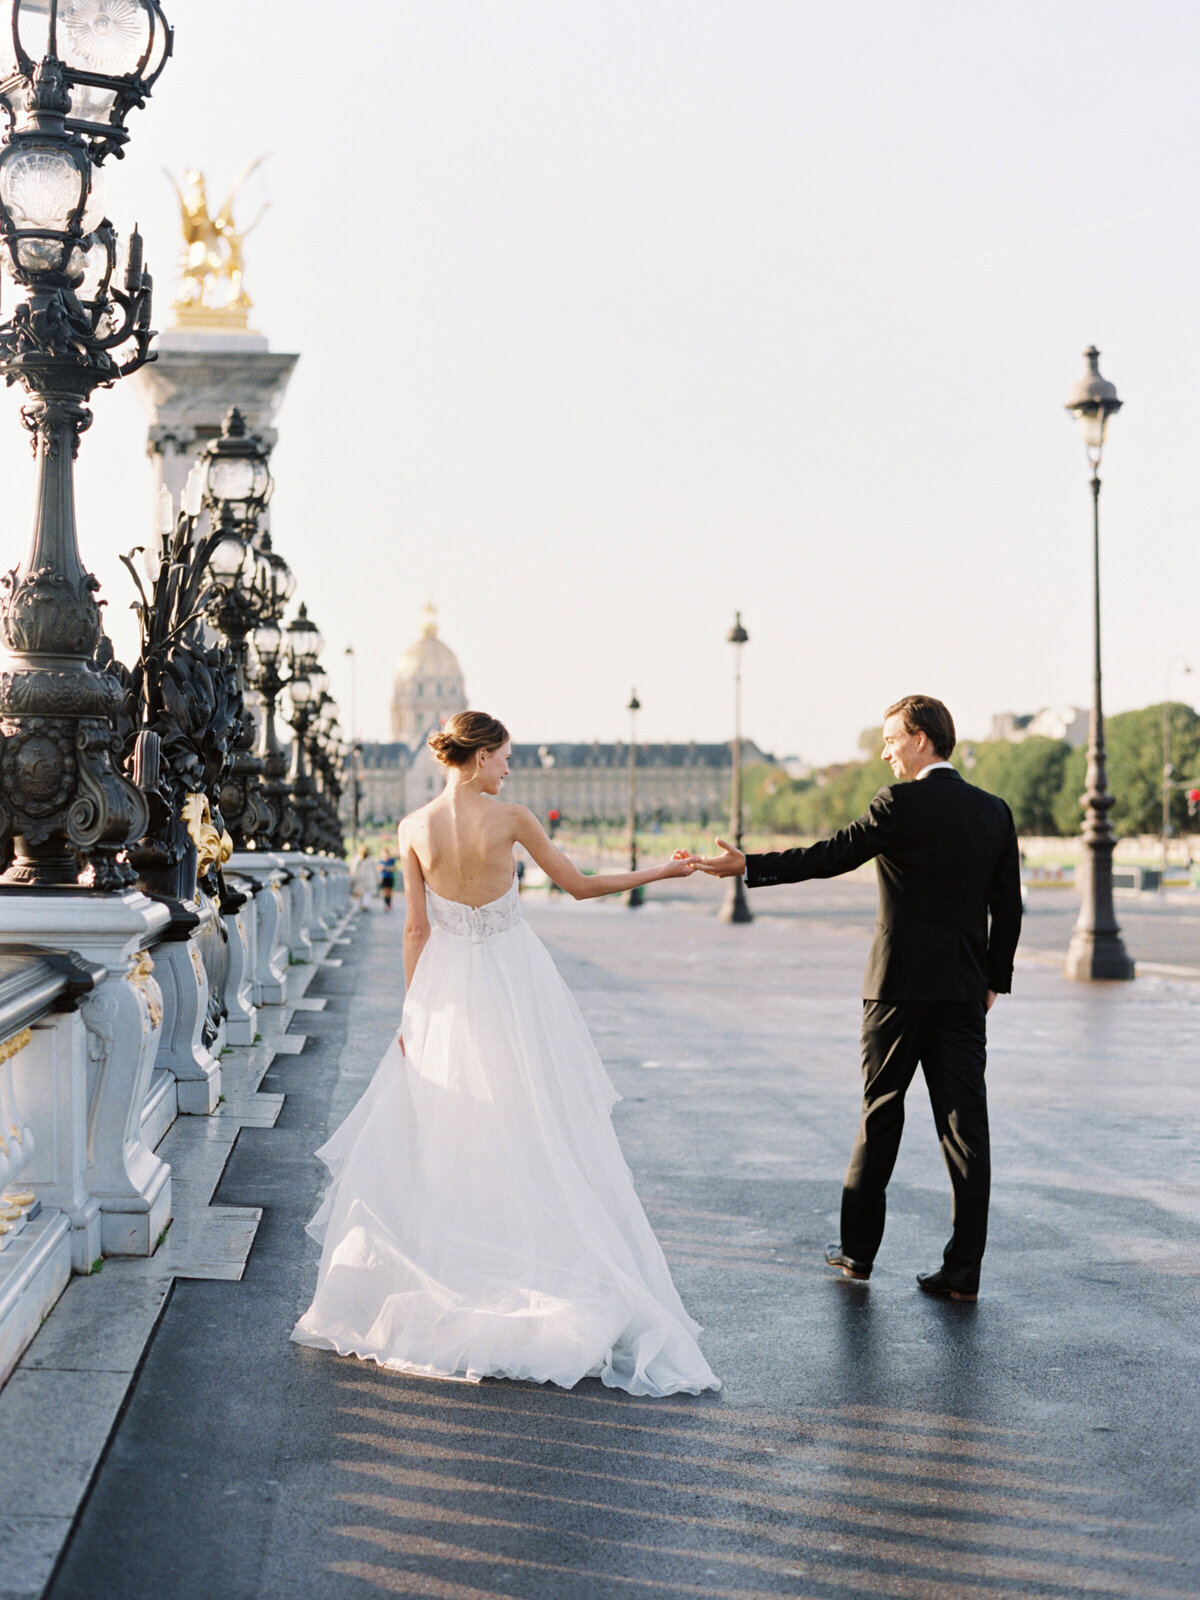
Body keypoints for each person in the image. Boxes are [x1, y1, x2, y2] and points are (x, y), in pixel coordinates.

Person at [292, 710, 719, 1395]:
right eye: (505, 756)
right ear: (483, 755)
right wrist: (664, 872)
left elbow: (414, 928)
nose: (510, 768)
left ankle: (460, 1266)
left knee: (453, 1133)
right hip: (517, 984)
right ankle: (535, 1259)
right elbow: (578, 886)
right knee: (539, 1126)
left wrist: (412, 1012)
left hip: (445, 989)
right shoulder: (511, 818)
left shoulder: (412, 828)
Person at [694, 695, 1022, 1303]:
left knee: (881, 1114)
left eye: (891, 739)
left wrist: (750, 867)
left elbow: (831, 856)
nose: (885, 752)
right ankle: (963, 1271)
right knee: (965, 1130)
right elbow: (1009, 907)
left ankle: (858, 1254)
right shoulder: (993, 813)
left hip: (895, 989)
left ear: (921, 738)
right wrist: (992, 980)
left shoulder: (897, 804)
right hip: (960, 992)